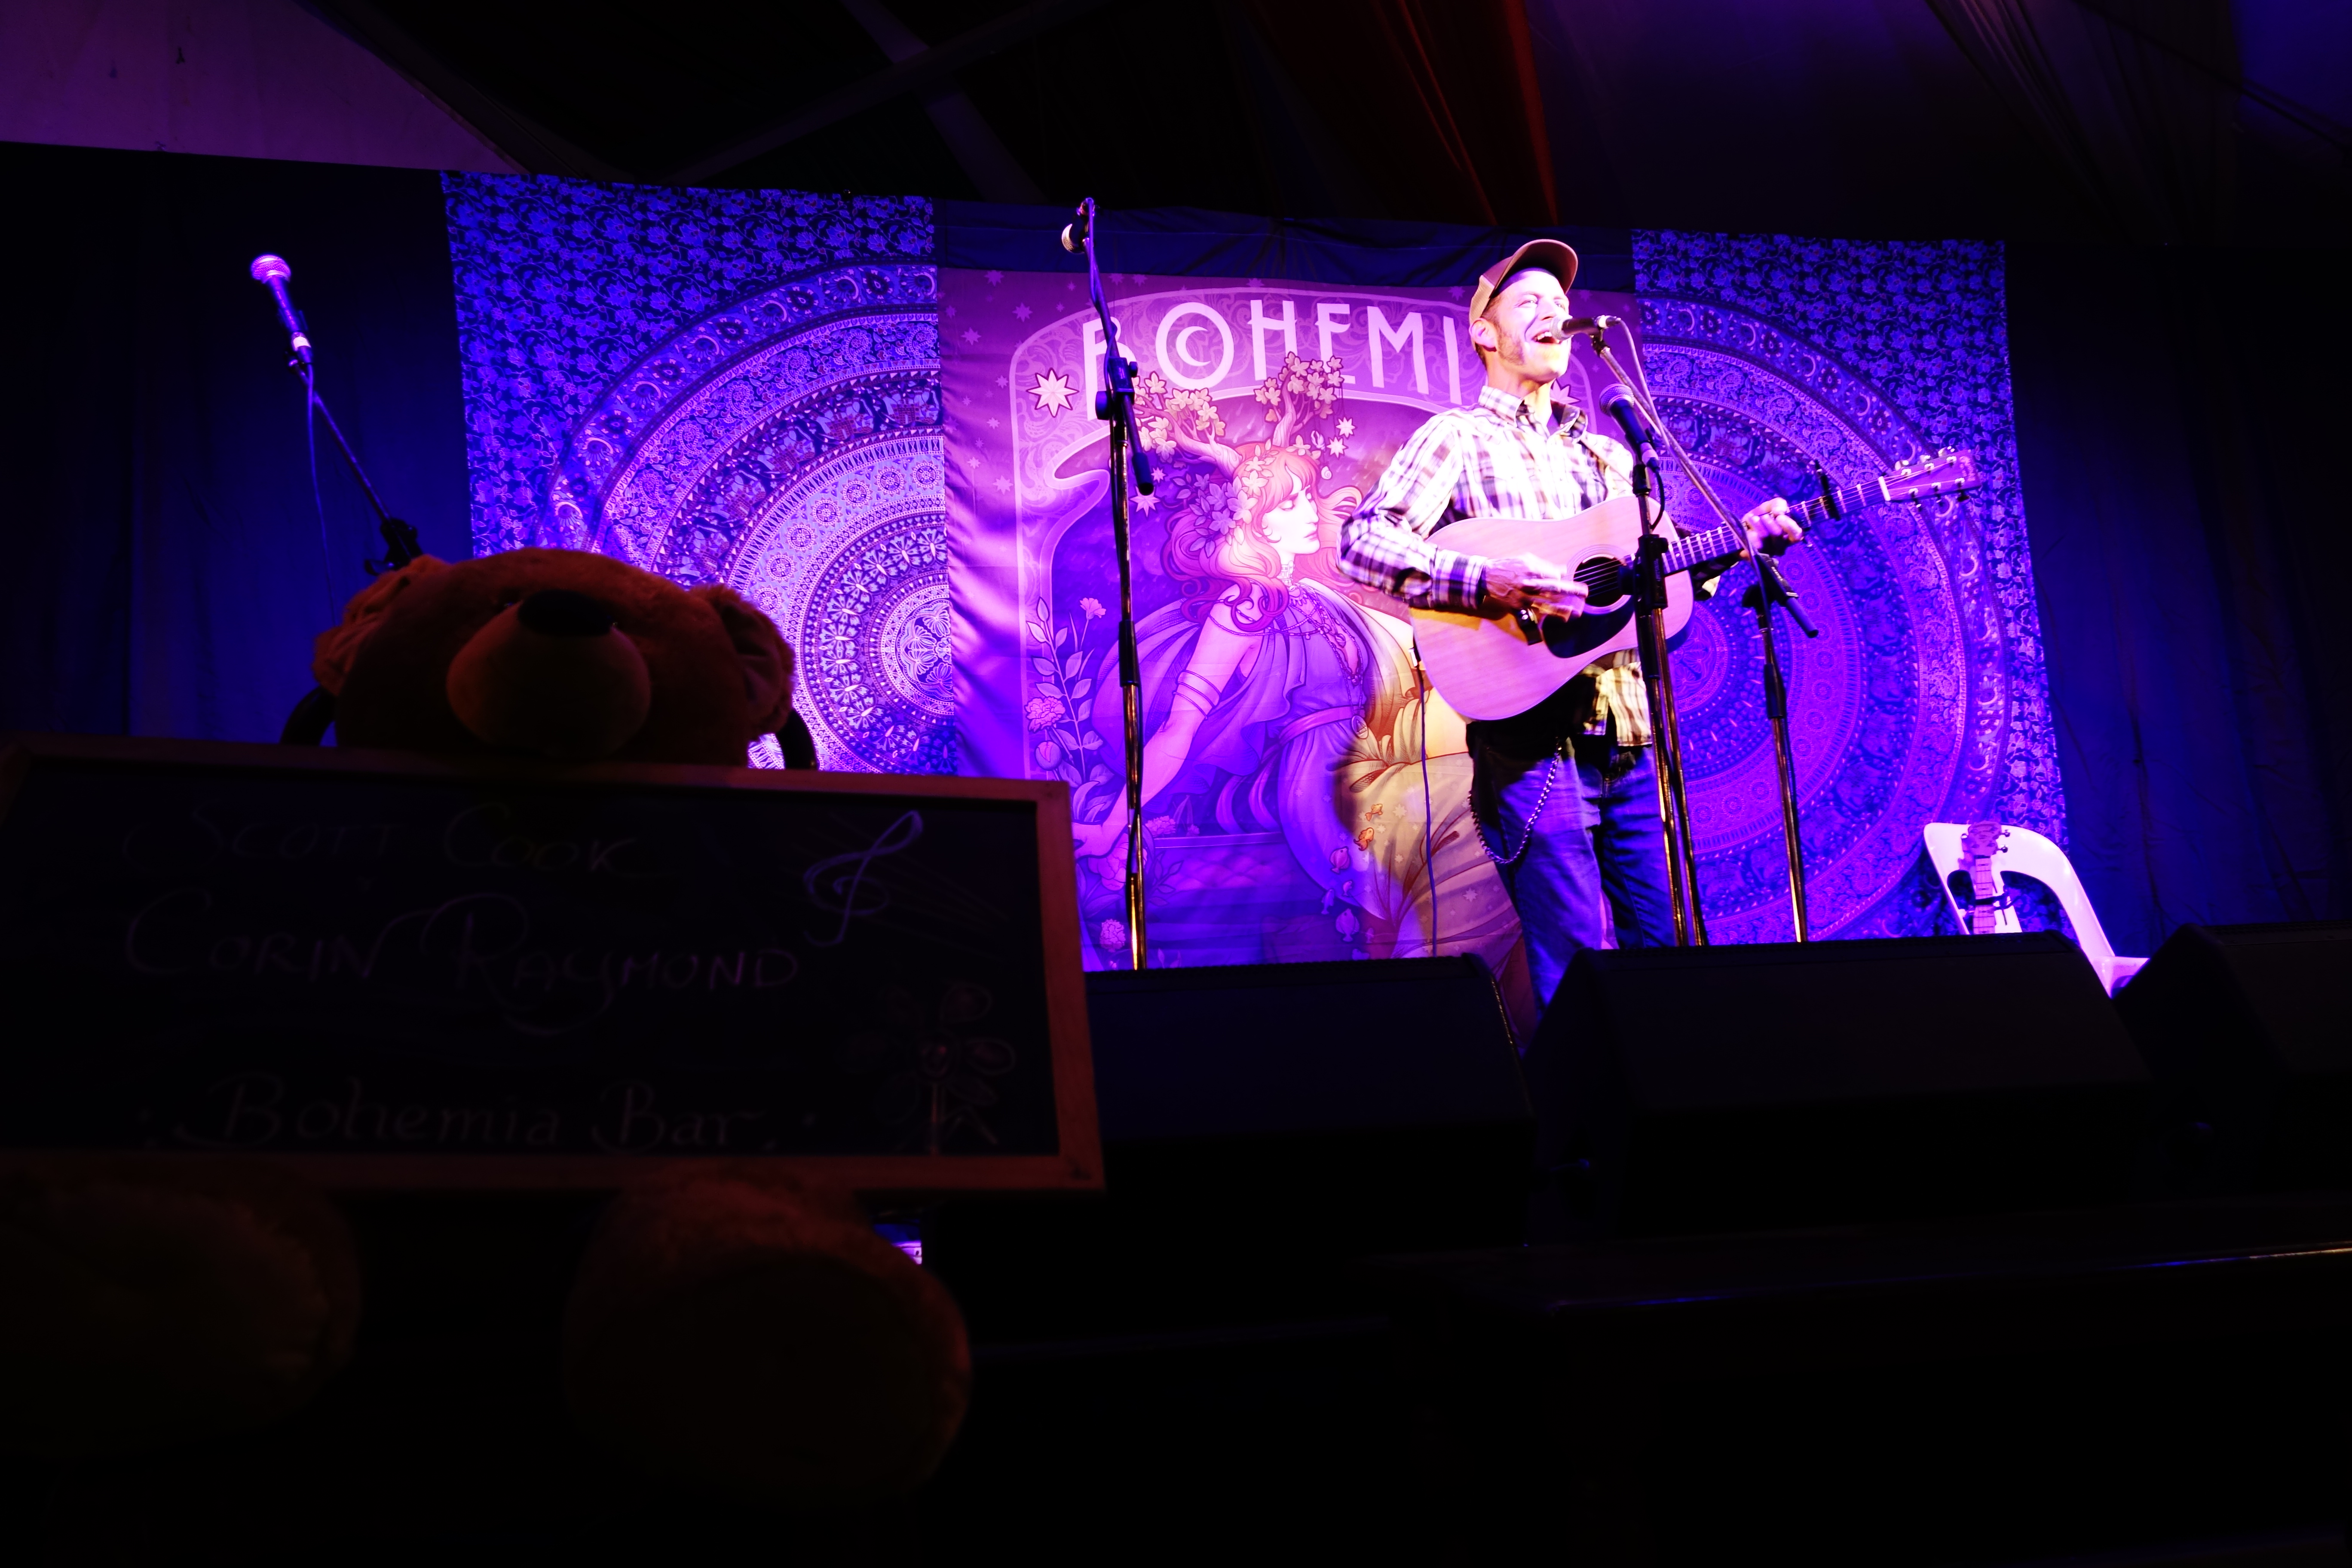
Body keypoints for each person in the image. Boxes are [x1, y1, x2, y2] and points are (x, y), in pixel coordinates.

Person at [1339, 239, 1803, 1014]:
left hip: (1632, 740)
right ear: (1485, 333)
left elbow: (1658, 581)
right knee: (1575, 963)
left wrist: (1738, 545)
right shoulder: (1458, 437)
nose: (1554, 311)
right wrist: (1485, 580)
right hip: (1534, 744)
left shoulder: (1609, 456)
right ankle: (1579, 1098)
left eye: (1560, 303)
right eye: (1530, 302)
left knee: (1667, 952)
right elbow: (1363, 541)